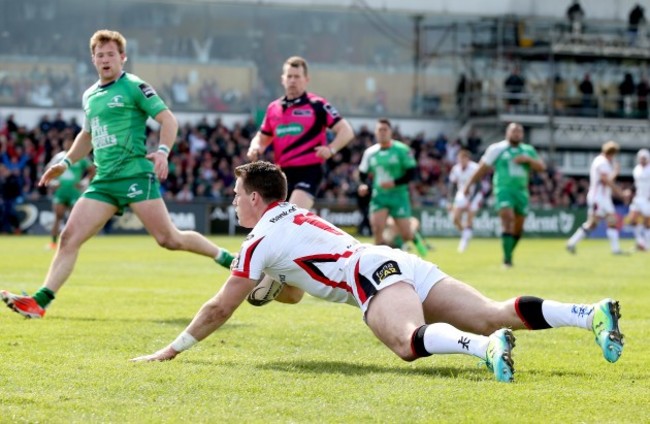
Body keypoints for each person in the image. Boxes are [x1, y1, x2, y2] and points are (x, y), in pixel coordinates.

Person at [131, 161, 625, 384]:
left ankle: (484, 350)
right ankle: (589, 314)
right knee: (492, 311)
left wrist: (171, 349)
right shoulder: (294, 217)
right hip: (392, 260)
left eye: (238, 195)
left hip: (368, 272)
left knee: (405, 343)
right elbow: (298, 294)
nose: (233, 201)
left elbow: (219, 307)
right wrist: (274, 289)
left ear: (257, 199)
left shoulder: (259, 238)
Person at [1, 29, 234, 319]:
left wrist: (163, 151)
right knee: (69, 237)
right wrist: (67, 162)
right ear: (93, 59)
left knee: (169, 239)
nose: (105, 59)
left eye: (111, 54)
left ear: (123, 57)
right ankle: (39, 302)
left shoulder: (135, 86)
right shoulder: (90, 95)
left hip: (135, 174)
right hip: (104, 181)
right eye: (100, 55)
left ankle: (225, 257)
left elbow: (168, 119)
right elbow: (87, 135)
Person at [245, 55, 354, 306]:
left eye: (297, 76)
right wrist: (255, 147)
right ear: (283, 79)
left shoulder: (318, 105)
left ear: (306, 79)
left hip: (308, 171)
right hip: (281, 175)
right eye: (289, 76)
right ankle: (292, 285)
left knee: (287, 220)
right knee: (276, 224)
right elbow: (262, 137)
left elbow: (346, 131)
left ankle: (272, 277)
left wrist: (332, 149)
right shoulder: (274, 108)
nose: (293, 81)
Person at [464, 123, 546, 268]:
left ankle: (508, 253)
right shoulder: (497, 149)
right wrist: (468, 184)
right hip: (503, 190)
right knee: (508, 219)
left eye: (519, 131)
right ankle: (507, 260)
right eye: (514, 131)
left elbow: (541, 167)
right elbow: (482, 168)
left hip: (521, 192)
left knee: (518, 229)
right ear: (507, 133)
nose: (517, 134)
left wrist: (528, 160)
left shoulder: (528, 150)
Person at [357, 118, 427, 257]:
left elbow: (412, 173)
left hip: (399, 195)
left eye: (385, 130)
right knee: (377, 231)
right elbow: (362, 173)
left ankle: (414, 238)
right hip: (379, 196)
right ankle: (379, 264)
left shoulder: (402, 149)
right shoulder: (370, 153)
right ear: (375, 133)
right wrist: (364, 185)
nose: (382, 132)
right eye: (379, 130)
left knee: (406, 234)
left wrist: (395, 183)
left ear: (391, 132)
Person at [566, 141, 628, 255]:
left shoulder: (600, 161)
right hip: (599, 198)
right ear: (611, 153)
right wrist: (620, 192)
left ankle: (572, 243)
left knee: (600, 223)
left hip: (602, 198)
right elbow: (606, 181)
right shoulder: (602, 162)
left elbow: (606, 179)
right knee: (595, 222)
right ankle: (571, 243)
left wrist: (614, 172)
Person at [46, 137, 95, 250]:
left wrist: (84, 182)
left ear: (74, 143)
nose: (67, 144)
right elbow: (48, 169)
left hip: (74, 191)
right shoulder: (59, 157)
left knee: (74, 218)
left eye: (69, 142)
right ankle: (53, 243)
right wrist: (53, 182)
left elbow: (92, 169)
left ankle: (75, 243)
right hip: (61, 191)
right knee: (58, 216)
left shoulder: (80, 157)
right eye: (65, 141)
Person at [448, 149, 482, 253]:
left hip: (474, 195)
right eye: (459, 159)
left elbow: (478, 186)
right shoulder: (455, 169)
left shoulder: (475, 167)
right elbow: (452, 186)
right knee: (454, 218)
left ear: (468, 159)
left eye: (464, 159)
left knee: (469, 217)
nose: (461, 161)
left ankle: (464, 241)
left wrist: (470, 201)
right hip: (461, 194)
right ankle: (466, 233)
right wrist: (450, 200)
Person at [625, 148, 650, 251]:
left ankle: (647, 244)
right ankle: (640, 242)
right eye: (640, 158)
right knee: (632, 220)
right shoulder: (636, 169)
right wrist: (630, 192)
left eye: (644, 158)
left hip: (648, 199)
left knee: (647, 223)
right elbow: (636, 184)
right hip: (638, 198)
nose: (642, 160)